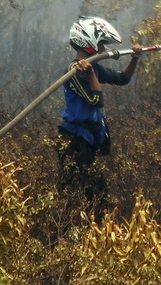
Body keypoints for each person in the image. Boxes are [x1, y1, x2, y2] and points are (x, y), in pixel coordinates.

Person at [57, 16, 142, 215]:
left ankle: (94, 237)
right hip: (73, 141)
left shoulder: (94, 67)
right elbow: (96, 100)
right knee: (73, 194)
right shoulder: (74, 71)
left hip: (88, 141)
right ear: (88, 42)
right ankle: (64, 237)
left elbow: (123, 79)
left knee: (98, 196)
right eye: (101, 44)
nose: (103, 50)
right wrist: (90, 74)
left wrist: (134, 59)